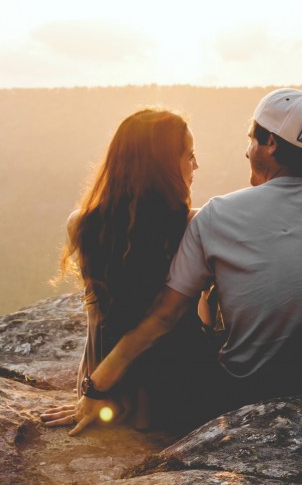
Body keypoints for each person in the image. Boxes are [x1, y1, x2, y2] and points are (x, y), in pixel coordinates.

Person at [54, 88, 302, 436]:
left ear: (270, 143)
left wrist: (97, 385)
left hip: (246, 390)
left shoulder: (216, 216)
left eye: (251, 139)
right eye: (190, 155)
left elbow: (163, 316)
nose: (246, 150)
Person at [40, 108, 215, 432]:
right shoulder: (195, 225)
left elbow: (99, 321)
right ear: (162, 166)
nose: (196, 165)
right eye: (189, 155)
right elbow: (164, 320)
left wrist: (92, 389)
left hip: (107, 391)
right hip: (178, 390)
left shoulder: (81, 224)